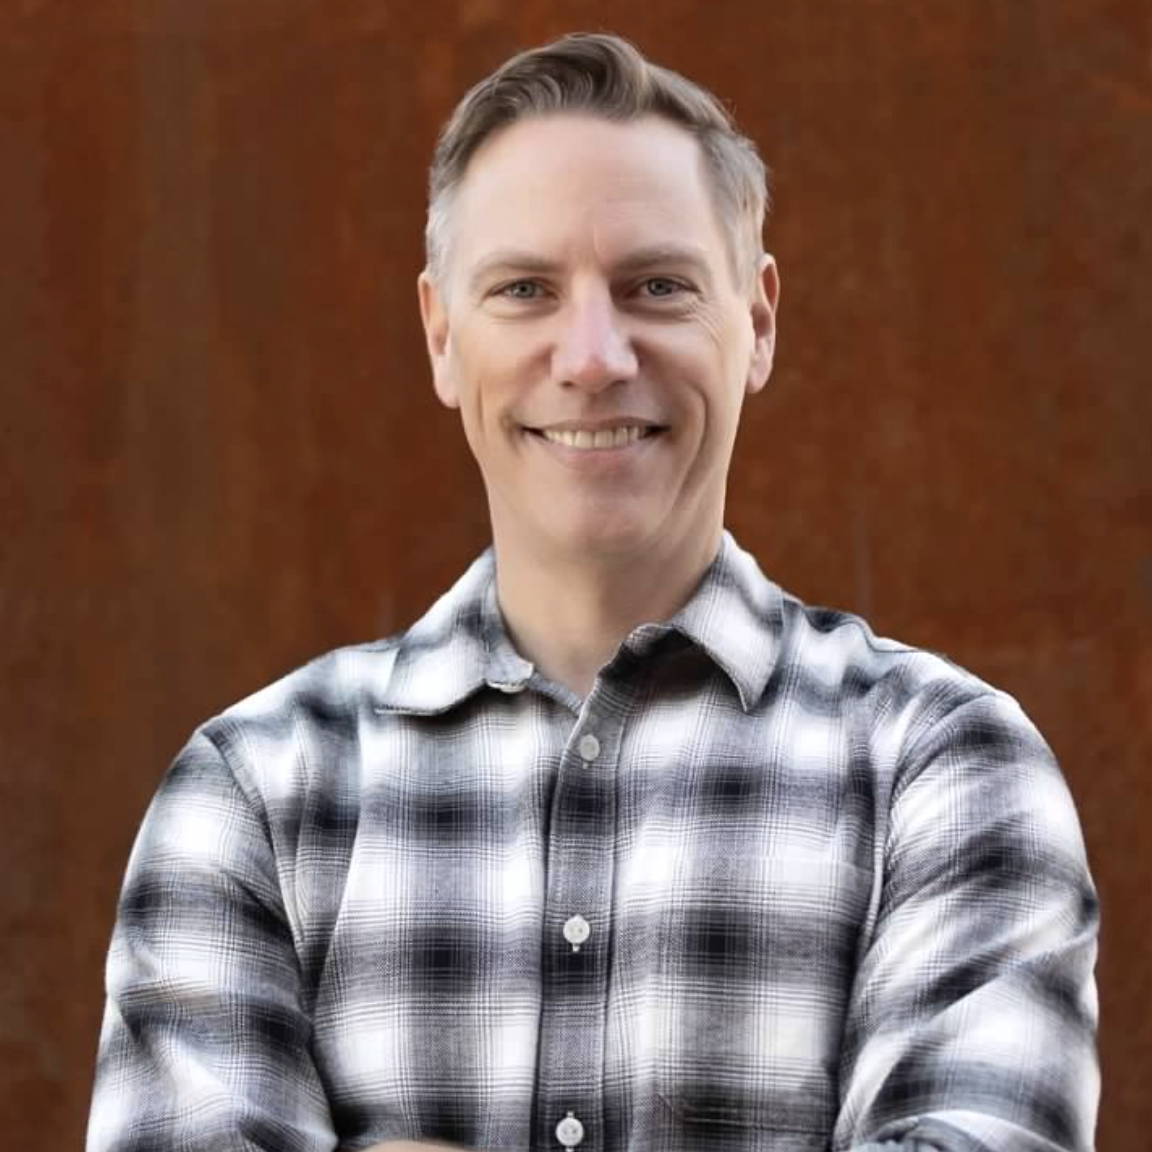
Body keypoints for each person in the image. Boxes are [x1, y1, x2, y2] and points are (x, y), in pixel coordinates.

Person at [86, 31, 1100, 1152]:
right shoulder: (257, 795)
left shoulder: (942, 769)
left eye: (656, 286)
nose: (593, 357)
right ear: (441, 336)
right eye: (525, 290)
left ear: (758, 322)